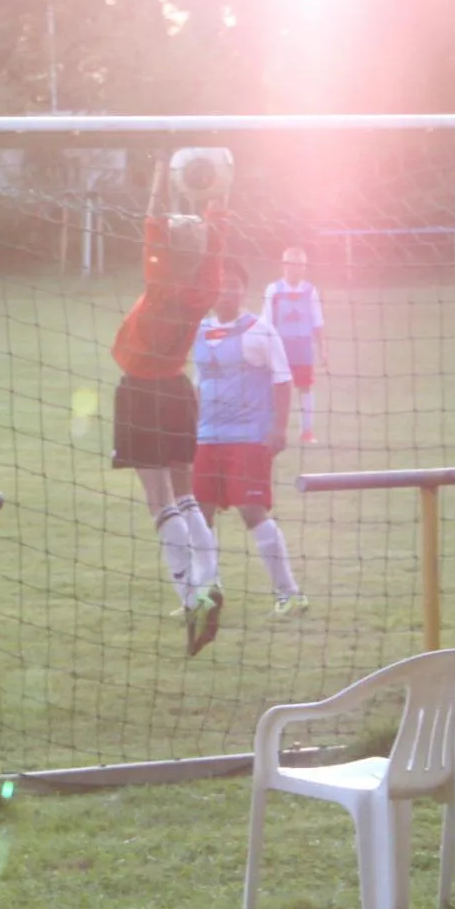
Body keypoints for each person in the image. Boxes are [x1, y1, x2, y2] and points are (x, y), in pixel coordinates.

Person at [110, 159, 229, 656]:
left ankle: (189, 596)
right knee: (185, 495)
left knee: (159, 500)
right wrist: (222, 178)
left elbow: (154, 216)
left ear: (171, 249)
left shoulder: (162, 282)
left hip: (142, 392)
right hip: (179, 391)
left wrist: (160, 167)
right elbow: (216, 227)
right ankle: (212, 581)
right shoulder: (205, 287)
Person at [194, 261, 307, 624]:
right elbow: (199, 382)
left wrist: (279, 428)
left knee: (252, 512)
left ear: (244, 290)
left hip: (248, 437)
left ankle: (289, 593)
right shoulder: (199, 330)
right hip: (206, 437)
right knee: (199, 515)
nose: (225, 291)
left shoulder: (260, 331)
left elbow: (282, 380)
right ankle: (207, 592)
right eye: (219, 284)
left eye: (233, 285)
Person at [261, 245, 326, 444]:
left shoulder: (310, 291)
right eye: (290, 264)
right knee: (275, 389)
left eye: (298, 265)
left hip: (303, 349)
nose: (294, 269)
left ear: (304, 268)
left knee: (305, 387)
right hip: (279, 349)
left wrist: (323, 350)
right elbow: (266, 323)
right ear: (283, 266)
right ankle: (272, 430)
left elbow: (318, 322)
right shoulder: (273, 290)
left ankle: (307, 432)